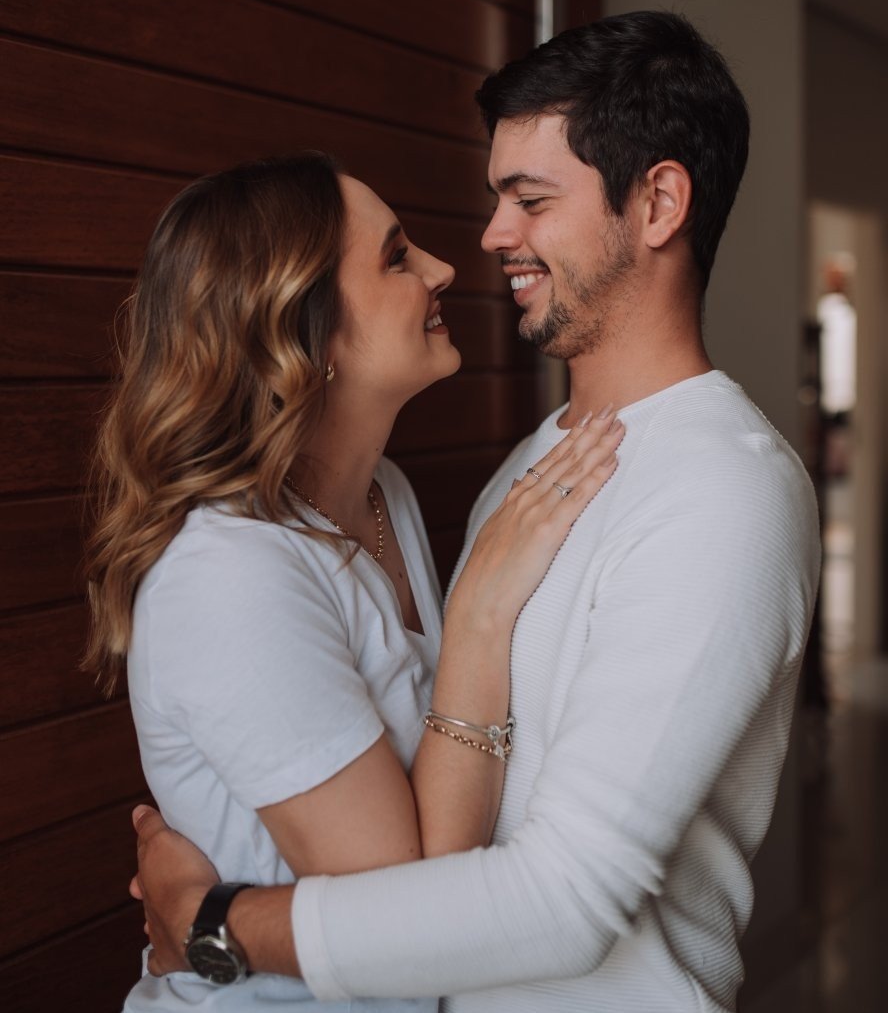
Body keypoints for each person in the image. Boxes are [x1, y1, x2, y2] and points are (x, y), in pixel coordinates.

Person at [131, 11, 821, 1013]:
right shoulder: (525, 472)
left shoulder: (727, 492)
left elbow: (568, 900)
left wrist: (217, 923)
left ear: (659, 203)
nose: (491, 237)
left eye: (529, 200)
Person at [83, 151, 624, 1011]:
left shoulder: (382, 493)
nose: (444, 269)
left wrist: (202, 913)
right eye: (397, 256)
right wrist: (480, 613)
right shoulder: (229, 576)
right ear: (305, 332)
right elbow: (409, 927)